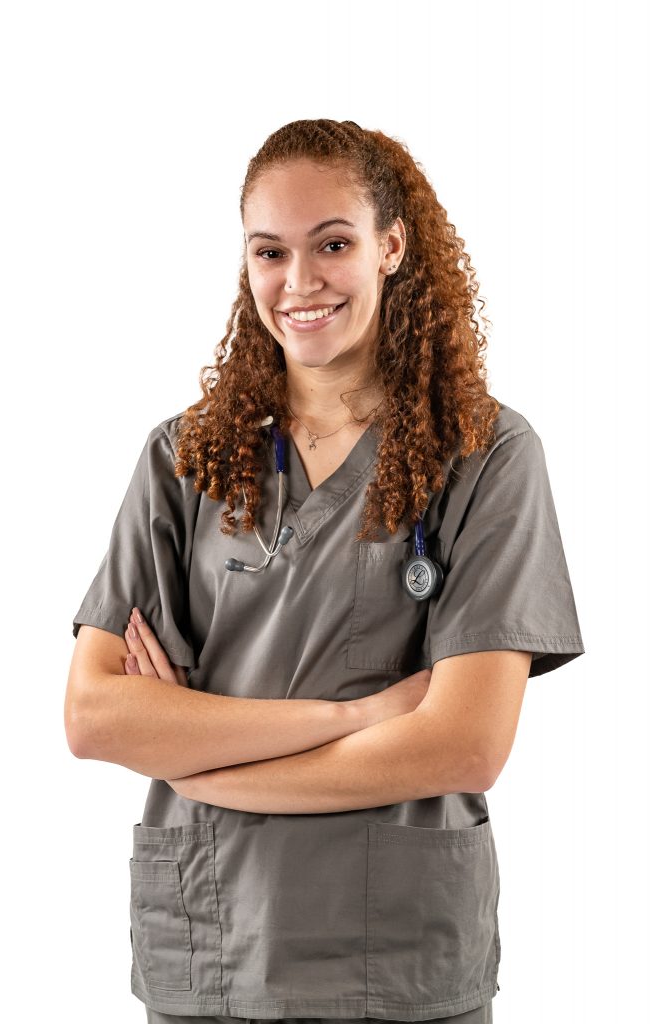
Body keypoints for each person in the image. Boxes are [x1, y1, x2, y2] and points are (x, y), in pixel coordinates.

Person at [65, 118, 585, 1024]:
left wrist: (202, 767)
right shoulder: (184, 458)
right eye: (270, 251)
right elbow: (95, 717)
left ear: (391, 247)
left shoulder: (484, 453)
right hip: (211, 941)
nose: (298, 281)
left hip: (397, 955)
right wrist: (358, 715)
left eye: (332, 244)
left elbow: (462, 746)